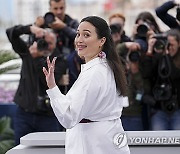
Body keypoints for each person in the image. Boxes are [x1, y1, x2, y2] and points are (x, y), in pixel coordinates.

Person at [43, 16, 130, 154]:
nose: (79, 40)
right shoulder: (107, 66)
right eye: (78, 34)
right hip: (107, 138)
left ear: (102, 41)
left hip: (92, 143)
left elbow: (69, 117)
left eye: (86, 35)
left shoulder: (94, 73)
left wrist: (53, 89)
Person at [6, 24, 67, 145]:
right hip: (24, 113)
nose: (46, 46)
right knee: (21, 149)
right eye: (44, 42)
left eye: (50, 44)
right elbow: (10, 33)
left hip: (48, 116)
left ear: (55, 45)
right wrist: (29, 29)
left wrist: (37, 58)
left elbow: (47, 82)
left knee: (50, 150)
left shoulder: (59, 60)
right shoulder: (28, 52)